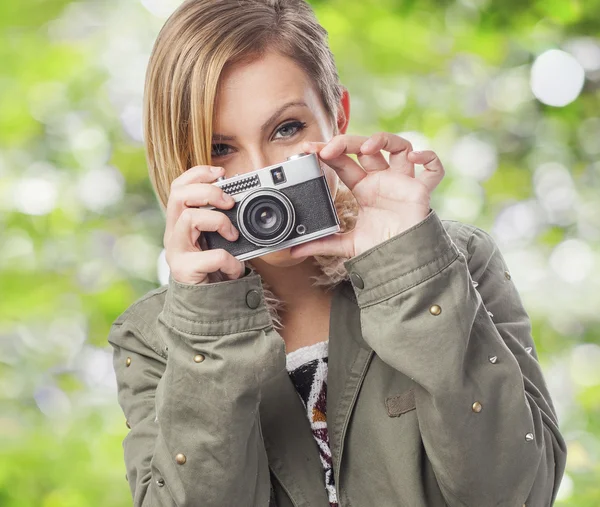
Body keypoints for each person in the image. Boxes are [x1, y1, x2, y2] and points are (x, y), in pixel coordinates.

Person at [108, 0, 567, 505]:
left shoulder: (458, 260)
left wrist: (410, 272)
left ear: (337, 116)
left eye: (286, 129)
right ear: (180, 163)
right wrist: (210, 323)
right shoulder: (154, 336)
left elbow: (518, 493)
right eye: (221, 149)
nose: (260, 175)